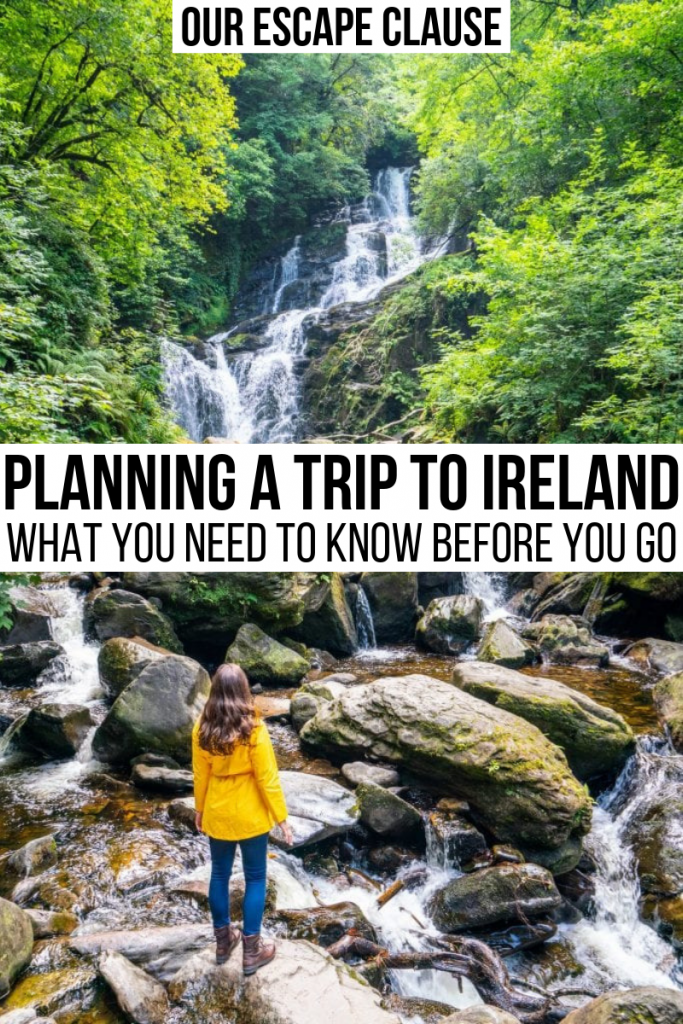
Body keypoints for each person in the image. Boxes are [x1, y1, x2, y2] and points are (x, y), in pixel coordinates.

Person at [193, 662, 293, 974]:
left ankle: (223, 942)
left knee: (219, 876)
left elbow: (200, 774)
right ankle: (252, 950)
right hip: (250, 814)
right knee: (255, 878)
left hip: (219, 811)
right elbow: (267, 778)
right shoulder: (254, 728)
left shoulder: (202, 728)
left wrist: (199, 809)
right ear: (243, 690)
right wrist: (282, 818)